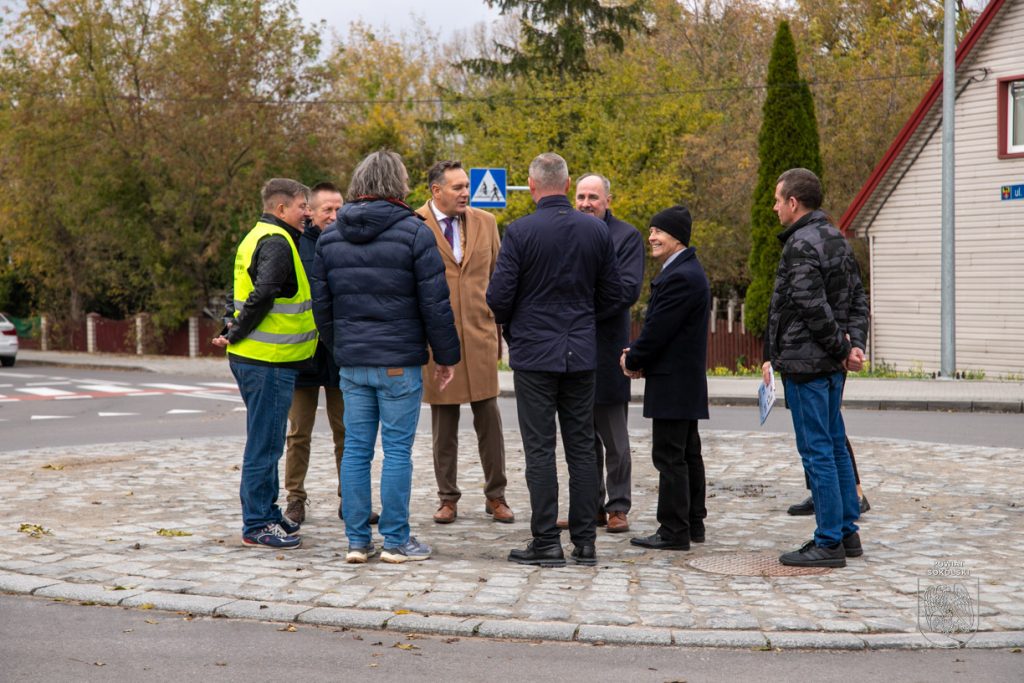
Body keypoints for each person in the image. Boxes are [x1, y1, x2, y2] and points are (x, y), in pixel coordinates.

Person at [310, 151, 460, 565]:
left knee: (356, 451)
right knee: (396, 451)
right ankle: (395, 540)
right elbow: (435, 303)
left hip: (353, 361)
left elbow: (321, 306)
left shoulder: (330, 237)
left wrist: (341, 348)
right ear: (398, 184)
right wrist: (446, 356)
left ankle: (358, 541)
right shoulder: (415, 233)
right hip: (398, 361)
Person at [486, 152, 623, 568]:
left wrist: (516, 329)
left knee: (540, 448)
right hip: (580, 351)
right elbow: (614, 293)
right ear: (566, 185)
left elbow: (498, 296)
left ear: (531, 186)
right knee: (581, 447)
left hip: (534, 355)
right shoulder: (596, 230)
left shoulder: (520, 232)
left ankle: (546, 540)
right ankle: (585, 542)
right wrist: (583, 320)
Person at [762, 168, 869, 569]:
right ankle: (847, 532)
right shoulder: (837, 238)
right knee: (836, 445)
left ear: (793, 202)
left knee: (818, 451)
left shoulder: (800, 244)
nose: (774, 208)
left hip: (807, 363)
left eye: (778, 200)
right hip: (831, 364)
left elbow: (811, 305)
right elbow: (858, 299)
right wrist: (853, 346)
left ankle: (828, 541)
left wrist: (843, 347)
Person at [212, 178, 317, 550]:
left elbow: (237, 291)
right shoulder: (276, 242)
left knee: (267, 440)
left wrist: (231, 326)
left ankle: (269, 513)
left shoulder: (257, 236)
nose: (308, 213)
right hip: (267, 361)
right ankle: (257, 524)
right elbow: (264, 293)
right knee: (266, 444)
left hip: (260, 359)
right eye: (303, 206)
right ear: (281, 208)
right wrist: (237, 331)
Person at [417, 160, 513, 525]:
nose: (465, 193)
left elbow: (500, 278)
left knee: (490, 420)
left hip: (480, 335)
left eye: (466, 186)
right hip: (437, 341)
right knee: (444, 424)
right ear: (436, 190)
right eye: (457, 187)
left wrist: (498, 321)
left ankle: (496, 496)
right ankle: (448, 498)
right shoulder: (415, 224)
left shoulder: (486, 222)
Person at [621, 205, 710, 552]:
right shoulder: (686, 270)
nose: (652, 237)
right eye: (651, 231)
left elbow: (658, 330)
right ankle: (693, 523)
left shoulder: (680, 276)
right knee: (687, 453)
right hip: (681, 378)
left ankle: (674, 530)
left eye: (658, 231)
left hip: (674, 381)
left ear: (677, 238)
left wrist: (633, 358)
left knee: (670, 456)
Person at [572, 173, 644, 533]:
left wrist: (576, 308)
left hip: (607, 350)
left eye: (593, 197)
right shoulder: (568, 232)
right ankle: (590, 507)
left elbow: (626, 290)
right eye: (581, 197)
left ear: (608, 201)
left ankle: (618, 506)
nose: (586, 203)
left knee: (615, 438)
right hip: (571, 350)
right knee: (581, 439)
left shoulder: (626, 237)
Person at [282, 182, 356, 525]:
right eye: (328, 209)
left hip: (341, 352)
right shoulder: (295, 244)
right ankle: (295, 499)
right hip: (303, 354)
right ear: (310, 211)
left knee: (347, 431)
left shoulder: (352, 241)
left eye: (340, 208)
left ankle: (350, 498)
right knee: (299, 433)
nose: (335, 215)